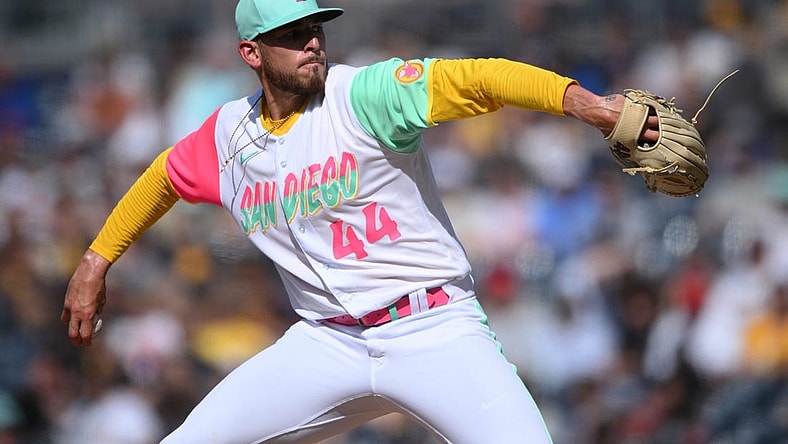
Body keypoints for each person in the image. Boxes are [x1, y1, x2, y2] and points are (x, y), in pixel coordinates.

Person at [62, 0, 658, 442]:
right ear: (252, 53)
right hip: (327, 341)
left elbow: (478, 79)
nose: (312, 43)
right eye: (292, 35)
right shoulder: (227, 137)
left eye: (315, 29)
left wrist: (594, 107)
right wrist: (95, 261)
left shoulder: (363, 96)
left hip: (433, 328)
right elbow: (161, 178)